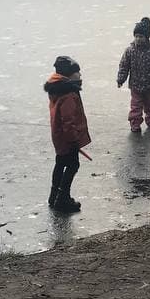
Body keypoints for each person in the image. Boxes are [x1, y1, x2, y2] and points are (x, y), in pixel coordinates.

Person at [43, 55, 91, 215]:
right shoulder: (69, 94)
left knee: (60, 163)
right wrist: (74, 140)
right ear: (69, 75)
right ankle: (63, 198)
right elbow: (68, 120)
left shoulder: (57, 89)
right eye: (77, 72)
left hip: (59, 138)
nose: (80, 75)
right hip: (67, 139)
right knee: (72, 165)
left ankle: (54, 195)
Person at [117, 16, 150, 133]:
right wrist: (121, 79)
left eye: (141, 37)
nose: (138, 39)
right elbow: (124, 66)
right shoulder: (130, 51)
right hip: (135, 85)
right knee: (136, 106)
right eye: (136, 36)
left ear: (147, 37)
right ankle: (135, 123)